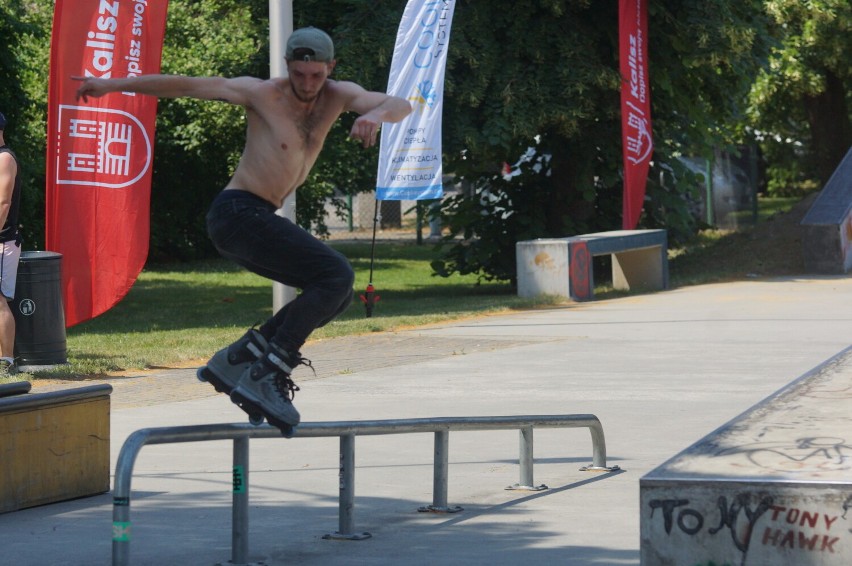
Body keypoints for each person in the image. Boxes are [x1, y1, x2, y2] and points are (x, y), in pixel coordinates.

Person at [74, 27, 412, 432]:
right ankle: (267, 371)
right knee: (336, 274)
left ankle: (238, 359)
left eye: (316, 76)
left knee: (335, 295)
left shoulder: (339, 96)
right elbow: (187, 86)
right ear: (288, 66)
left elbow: (401, 103)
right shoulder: (263, 93)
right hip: (237, 213)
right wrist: (112, 84)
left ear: (330, 68)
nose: (307, 84)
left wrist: (373, 114)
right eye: (299, 74)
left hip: (256, 217)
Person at [0, 111, 23, 376]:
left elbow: (3, 203)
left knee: (0, 300)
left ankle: (6, 361)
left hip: (3, 241)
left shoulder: (5, 158)